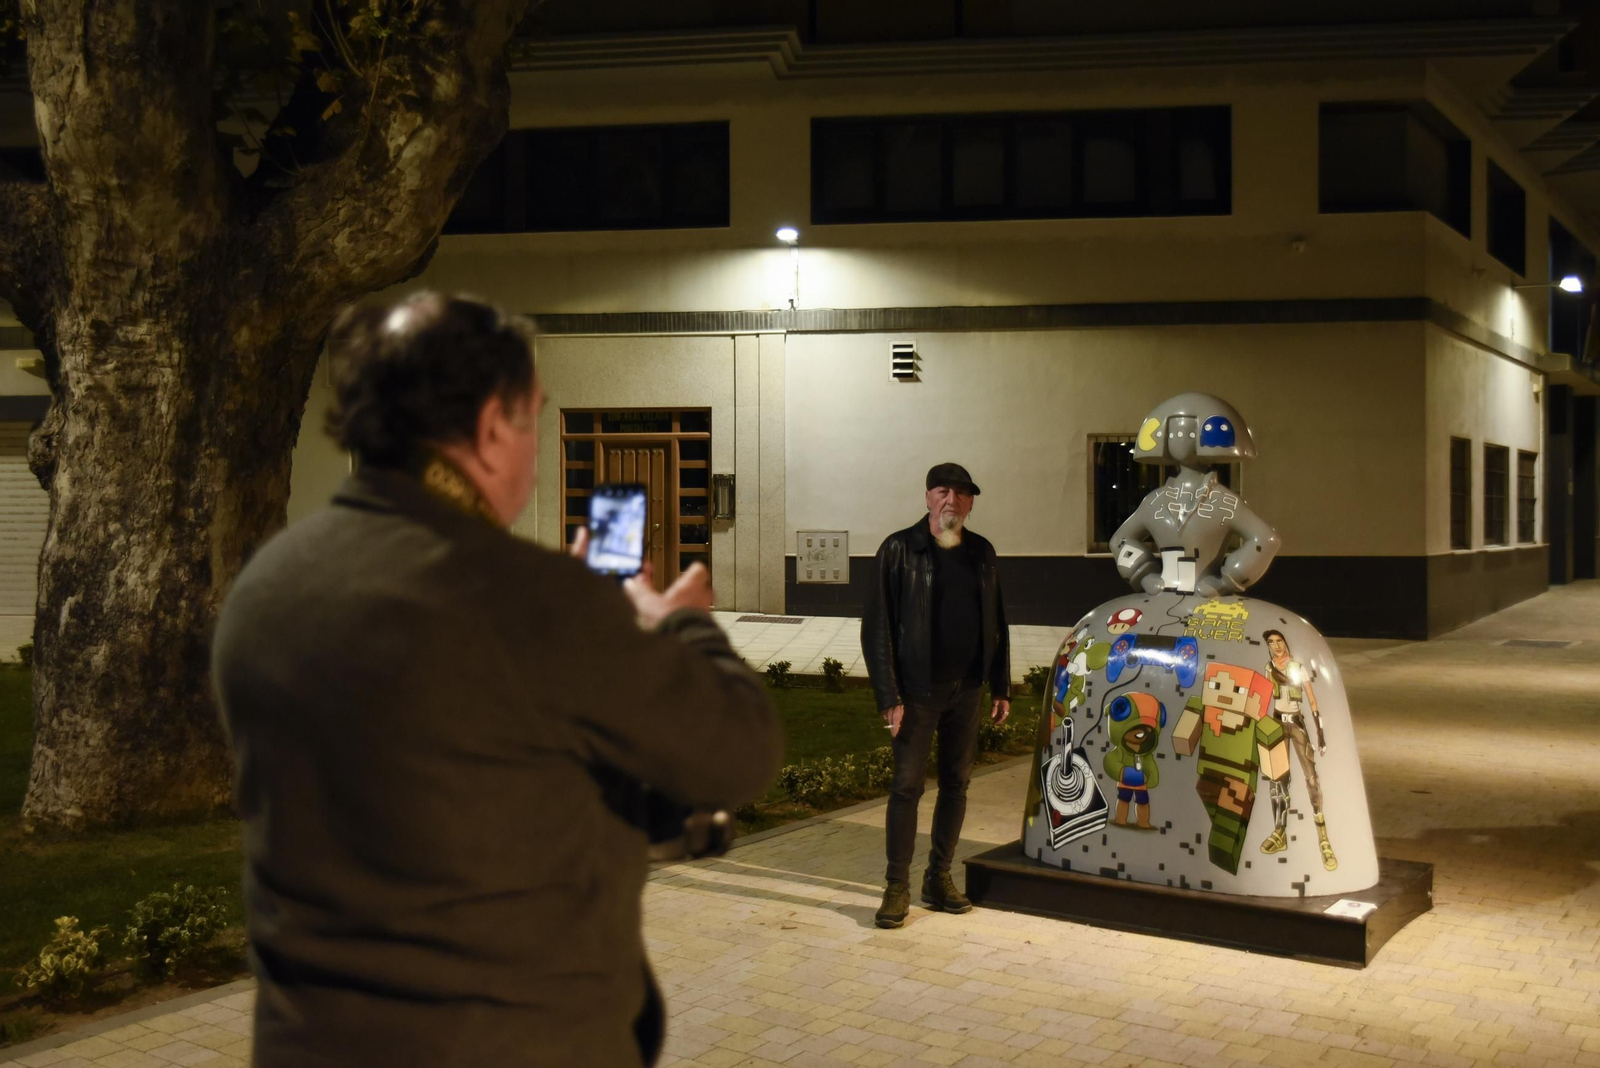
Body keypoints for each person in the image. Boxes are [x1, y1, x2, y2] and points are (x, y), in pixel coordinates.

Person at [212, 292, 783, 1068]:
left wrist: (581, 620)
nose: (535, 449)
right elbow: (738, 749)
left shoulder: (268, 583)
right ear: (489, 428)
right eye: (532, 421)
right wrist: (673, 619)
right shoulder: (532, 600)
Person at [860, 462, 1011, 929]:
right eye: (943, 492)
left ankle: (938, 877)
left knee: (957, 785)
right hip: (916, 692)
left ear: (970, 503)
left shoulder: (981, 552)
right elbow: (877, 628)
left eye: (962, 494)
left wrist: (1001, 684)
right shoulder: (899, 550)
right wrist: (889, 695)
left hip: (966, 689)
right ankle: (896, 886)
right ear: (927, 497)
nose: (952, 501)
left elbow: (998, 622)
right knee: (906, 787)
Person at [1260, 629, 1337, 870]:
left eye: (1279, 641)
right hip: (1276, 723)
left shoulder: (1297, 667)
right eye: (1271, 643)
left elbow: (1312, 700)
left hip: (1296, 722)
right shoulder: (1269, 668)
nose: (1276, 646)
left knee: (1311, 778)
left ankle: (1323, 838)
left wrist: (1320, 732)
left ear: (1285, 642)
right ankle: (1279, 831)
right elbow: (1265, 696)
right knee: (1278, 779)